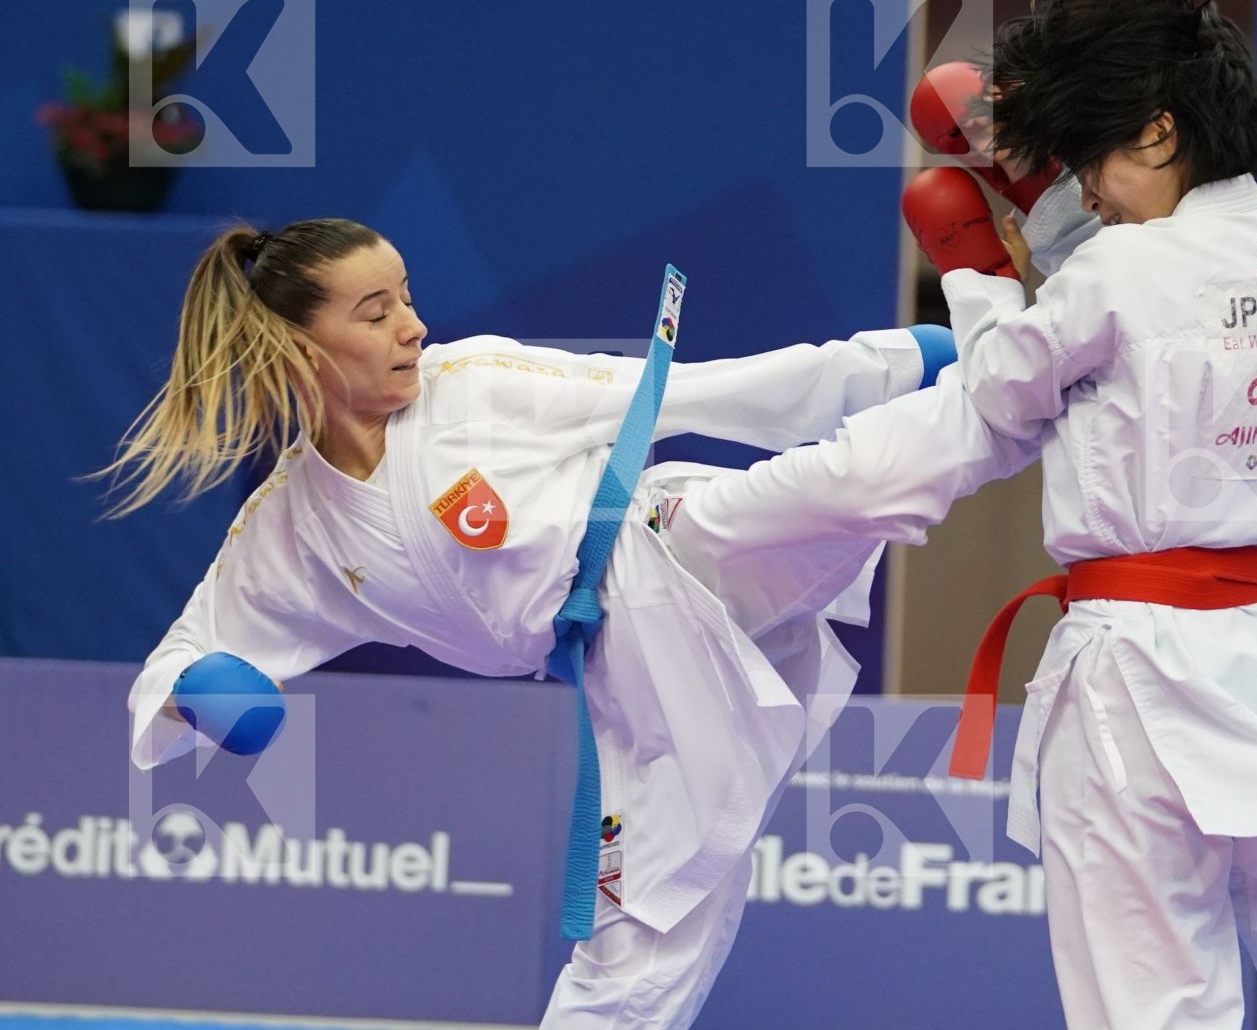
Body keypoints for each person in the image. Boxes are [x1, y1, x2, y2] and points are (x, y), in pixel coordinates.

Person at [112, 217, 1031, 1029]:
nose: (413, 326)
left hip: (670, 547)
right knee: (647, 930)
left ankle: (1003, 338)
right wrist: (201, 691)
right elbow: (186, 648)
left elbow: (694, 392)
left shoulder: (468, 383)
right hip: (631, 676)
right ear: (296, 347)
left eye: (407, 298)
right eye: (376, 310)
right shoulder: (291, 527)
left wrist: (888, 364)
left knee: (850, 486)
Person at [902, 0, 1257, 1028]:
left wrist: (975, 268)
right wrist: (1069, 212)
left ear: (1159, 135)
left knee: (1148, 997)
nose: (1092, 190)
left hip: (1135, 665)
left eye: (1093, 162)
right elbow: (1166, 305)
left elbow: (998, 395)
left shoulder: (1113, 276)